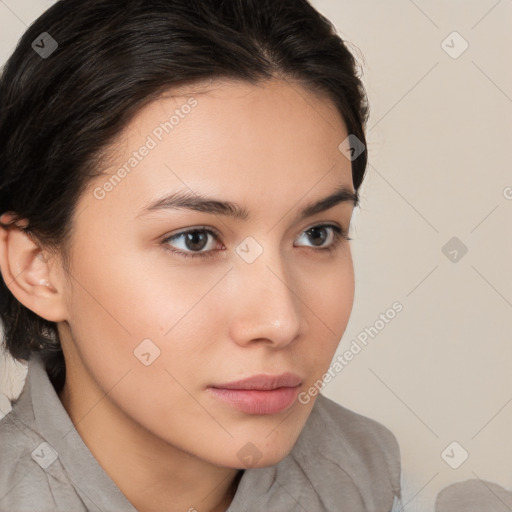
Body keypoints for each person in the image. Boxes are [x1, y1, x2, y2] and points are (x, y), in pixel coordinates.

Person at [0, 0, 402, 510]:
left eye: (318, 234)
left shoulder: (395, 489)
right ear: (36, 267)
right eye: (195, 239)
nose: (280, 321)